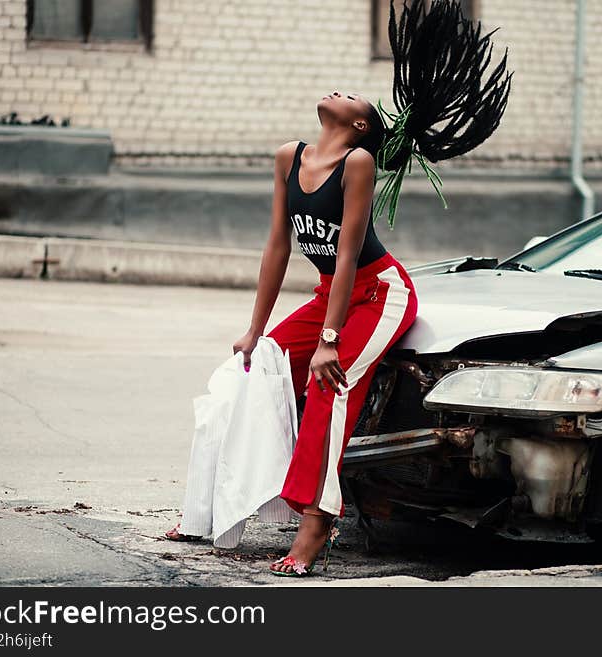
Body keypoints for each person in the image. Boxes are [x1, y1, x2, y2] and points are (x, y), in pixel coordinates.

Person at [166, 0, 513, 577]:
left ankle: (319, 519)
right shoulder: (287, 157)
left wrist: (329, 339)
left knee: (333, 383)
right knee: (259, 365)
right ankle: (211, 508)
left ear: (359, 126)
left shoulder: (357, 162)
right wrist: (256, 328)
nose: (340, 90)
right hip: (333, 291)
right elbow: (278, 245)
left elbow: (350, 251)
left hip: (380, 294)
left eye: (353, 97)